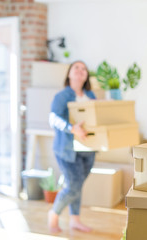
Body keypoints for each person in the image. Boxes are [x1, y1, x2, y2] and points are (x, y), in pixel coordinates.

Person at [48, 60, 96, 233]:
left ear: (86, 75)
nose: (80, 70)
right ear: (69, 73)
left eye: (84, 68)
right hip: (67, 150)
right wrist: (71, 128)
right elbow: (53, 119)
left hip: (88, 149)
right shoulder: (62, 96)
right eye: (76, 67)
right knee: (73, 185)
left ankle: (75, 220)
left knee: (77, 186)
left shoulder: (91, 96)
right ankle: (53, 214)